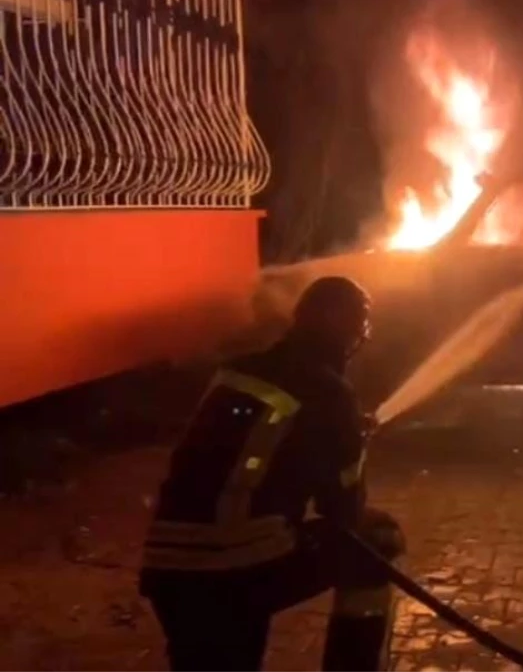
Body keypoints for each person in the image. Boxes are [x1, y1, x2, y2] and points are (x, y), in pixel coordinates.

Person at [139, 276, 404, 672]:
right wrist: (351, 443)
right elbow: (343, 512)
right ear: (344, 329)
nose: (361, 339)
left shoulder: (241, 369)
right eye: (360, 327)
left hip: (167, 566)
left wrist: (337, 434)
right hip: (234, 569)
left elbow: (258, 448)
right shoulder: (329, 392)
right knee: (377, 539)